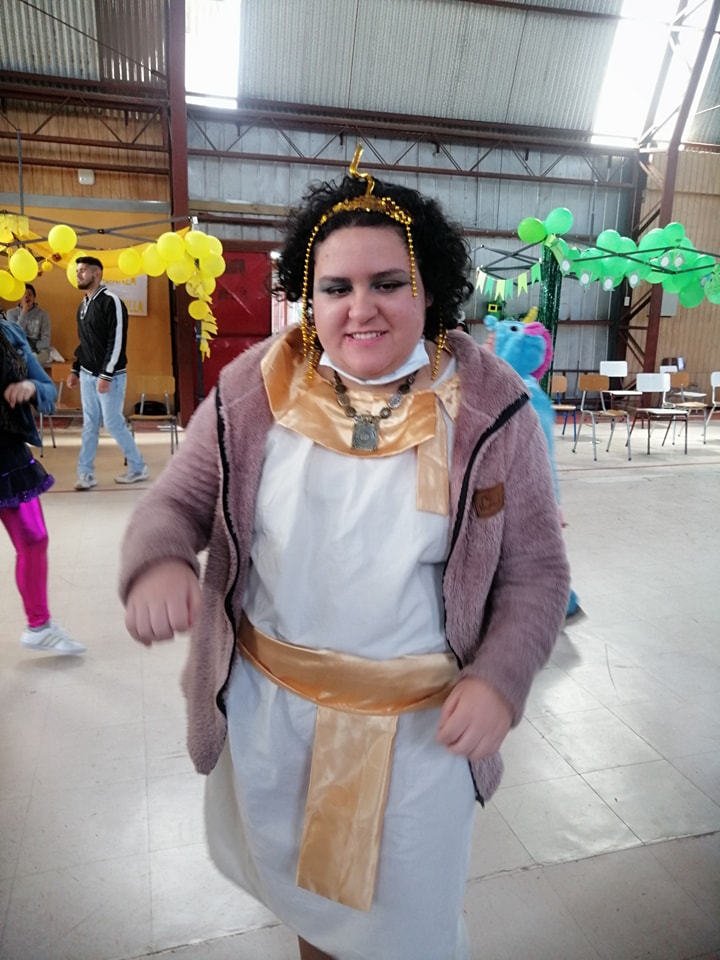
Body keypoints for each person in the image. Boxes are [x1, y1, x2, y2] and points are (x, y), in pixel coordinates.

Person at [119, 149, 569, 960]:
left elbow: (535, 571)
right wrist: (159, 560)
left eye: (387, 282)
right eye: (336, 287)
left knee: (406, 929)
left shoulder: (493, 408)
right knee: (314, 920)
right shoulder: (254, 387)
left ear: (429, 289)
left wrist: (500, 677)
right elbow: (178, 501)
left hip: (420, 739)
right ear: (308, 295)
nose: (361, 308)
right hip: (274, 722)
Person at [484, 313, 585, 626]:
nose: (484, 347)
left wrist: (553, 503)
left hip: (525, 495)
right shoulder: (500, 387)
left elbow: (544, 455)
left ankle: (560, 603)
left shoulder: (527, 394)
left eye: (492, 342)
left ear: (511, 347)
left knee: (528, 557)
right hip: (500, 489)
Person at [0, 314, 85, 655]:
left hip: (7, 454)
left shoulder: (10, 332)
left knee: (34, 539)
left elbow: (48, 388)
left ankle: (39, 625)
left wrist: (31, 388)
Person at [66, 256, 149, 490]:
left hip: (110, 376)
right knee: (89, 425)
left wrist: (106, 374)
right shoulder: (83, 306)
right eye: (77, 270)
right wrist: (75, 368)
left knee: (113, 424)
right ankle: (85, 474)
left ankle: (138, 468)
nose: (78, 274)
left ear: (97, 274)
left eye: (83, 270)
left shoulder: (111, 301)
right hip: (87, 375)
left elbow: (117, 340)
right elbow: (84, 342)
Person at [7, 283, 52, 367]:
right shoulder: (11, 313)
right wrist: (24, 312)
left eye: (30, 294)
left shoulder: (43, 315)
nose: (27, 297)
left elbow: (46, 340)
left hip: (39, 350)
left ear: (34, 297)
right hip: (19, 349)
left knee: (33, 361)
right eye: (24, 294)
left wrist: (33, 349)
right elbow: (14, 335)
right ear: (19, 297)